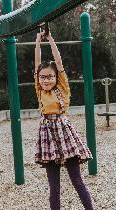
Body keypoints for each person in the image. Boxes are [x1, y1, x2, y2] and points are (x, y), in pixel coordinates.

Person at [34, 31, 94, 210]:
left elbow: (58, 63)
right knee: (54, 187)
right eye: (43, 77)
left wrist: (51, 39)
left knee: (76, 180)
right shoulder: (40, 90)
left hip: (64, 133)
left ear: (56, 78)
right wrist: (37, 41)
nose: (46, 80)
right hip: (47, 137)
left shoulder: (62, 87)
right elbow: (37, 63)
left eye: (50, 76)